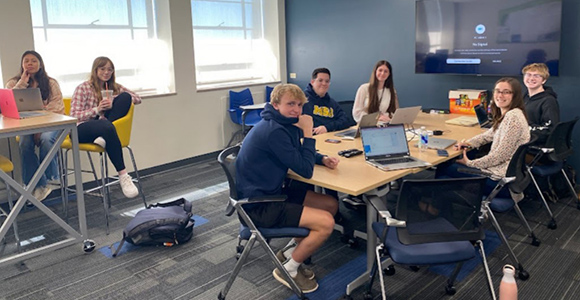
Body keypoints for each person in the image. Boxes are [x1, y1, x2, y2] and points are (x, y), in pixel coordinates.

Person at [235, 84, 339, 293]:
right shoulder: (274, 131)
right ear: (275, 104)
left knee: (330, 204)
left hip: (272, 193)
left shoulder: (282, 124)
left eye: (300, 105)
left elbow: (294, 154)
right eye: (290, 104)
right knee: (326, 223)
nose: (296, 110)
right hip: (259, 205)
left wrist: (321, 158)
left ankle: (291, 251)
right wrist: (308, 133)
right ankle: (289, 269)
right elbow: (305, 171)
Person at [436, 77, 530, 200]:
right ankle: (439, 208)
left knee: (444, 169)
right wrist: (469, 143)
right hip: (506, 177)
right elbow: (489, 135)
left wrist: (470, 163)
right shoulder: (511, 113)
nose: (500, 95)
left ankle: (436, 209)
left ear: (515, 95)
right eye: (497, 91)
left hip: (501, 182)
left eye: (506, 92)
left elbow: (499, 156)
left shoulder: (512, 118)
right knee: (444, 175)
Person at [70, 56, 141, 198]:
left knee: (125, 97)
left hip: (105, 125)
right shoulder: (83, 88)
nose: (106, 72)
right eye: (102, 69)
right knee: (105, 124)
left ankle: (103, 136)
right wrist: (97, 109)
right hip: (82, 128)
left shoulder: (114, 87)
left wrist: (112, 101)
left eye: (110, 69)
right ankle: (123, 175)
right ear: (95, 70)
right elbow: (73, 116)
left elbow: (137, 98)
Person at [5, 50, 64, 201]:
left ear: (40, 64)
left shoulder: (51, 83)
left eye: (34, 61)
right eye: (26, 61)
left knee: (45, 138)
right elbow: (8, 104)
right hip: (26, 125)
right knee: (24, 143)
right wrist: (22, 83)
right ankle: (36, 184)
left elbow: (57, 107)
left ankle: (52, 178)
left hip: (51, 123)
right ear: (22, 64)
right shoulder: (13, 83)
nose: (30, 64)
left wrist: (41, 125)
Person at [302, 68, 351, 134]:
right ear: (312, 82)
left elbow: (345, 120)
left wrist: (327, 127)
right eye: (320, 80)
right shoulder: (301, 99)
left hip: (329, 137)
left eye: (327, 81)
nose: (324, 84)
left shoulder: (332, 103)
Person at [522, 63, 560, 144]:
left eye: (536, 76)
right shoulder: (525, 97)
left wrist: (524, 130)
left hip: (532, 144)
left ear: (544, 80)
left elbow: (549, 130)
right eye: (528, 74)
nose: (531, 78)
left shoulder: (548, 101)